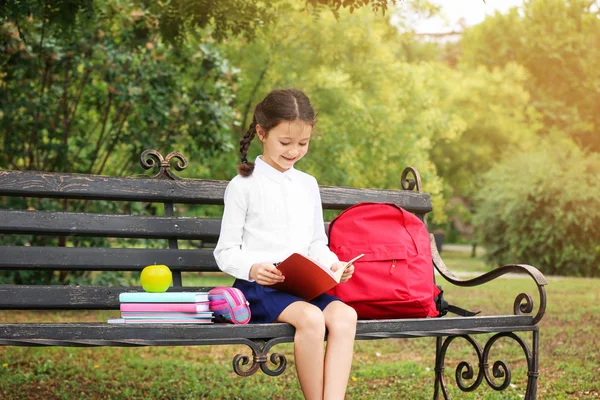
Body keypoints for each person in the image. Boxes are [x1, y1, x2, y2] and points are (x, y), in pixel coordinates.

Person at [213, 88, 358, 400]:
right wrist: (252, 268)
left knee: (345, 316)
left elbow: (316, 242)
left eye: (302, 144)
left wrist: (332, 263)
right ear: (262, 134)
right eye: (285, 143)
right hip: (261, 288)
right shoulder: (243, 185)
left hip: (302, 286)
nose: (294, 151)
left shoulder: (307, 185)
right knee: (311, 318)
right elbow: (225, 252)